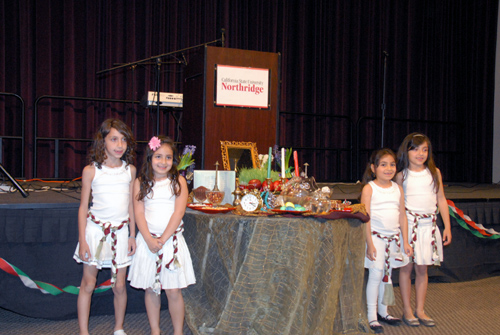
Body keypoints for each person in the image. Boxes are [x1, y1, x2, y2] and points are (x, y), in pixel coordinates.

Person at [73, 118, 137, 335]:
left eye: (123, 140)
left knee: (119, 286)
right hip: (95, 233)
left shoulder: (130, 171)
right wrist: (82, 240)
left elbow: (131, 206)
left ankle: (119, 328)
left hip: (120, 233)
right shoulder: (91, 171)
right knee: (89, 283)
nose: (120, 145)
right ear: (103, 142)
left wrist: (132, 235)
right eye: (114, 139)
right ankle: (84, 331)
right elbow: (83, 208)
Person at [128, 135, 196, 335]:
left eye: (168, 157)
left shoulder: (179, 181)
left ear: (173, 160)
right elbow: (138, 212)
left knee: (173, 291)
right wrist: (149, 239)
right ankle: (155, 330)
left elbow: (178, 213)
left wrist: (163, 239)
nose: (163, 162)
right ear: (150, 158)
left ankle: (177, 332)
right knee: (151, 289)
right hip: (148, 242)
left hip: (170, 242)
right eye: (158, 157)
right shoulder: (141, 182)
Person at [396, 133, 452, 327]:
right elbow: (399, 205)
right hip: (410, 226)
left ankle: (420, 309)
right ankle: (407, 310)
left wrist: (446, 226)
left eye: (425, 149)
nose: (420, 153)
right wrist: (403, 234)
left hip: (429, 227)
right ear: (407, 150)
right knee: (406, 268)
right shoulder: (401, 175)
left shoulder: (435, 172)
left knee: (422, 269)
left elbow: (441, 199)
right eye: (416, 149)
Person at [361, 149, 412, 334]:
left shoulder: (397, 189)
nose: (388, 168)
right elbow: (366, 217)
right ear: (374, 168)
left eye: (392, 164)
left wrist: (405, 241)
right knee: (375, 276)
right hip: (376, 238)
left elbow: (402, 217)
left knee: (387, 276)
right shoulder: (369, 188)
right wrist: (370, 244)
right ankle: (371, 316)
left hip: (393, 240)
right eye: (383, 164)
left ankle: (384, 312)